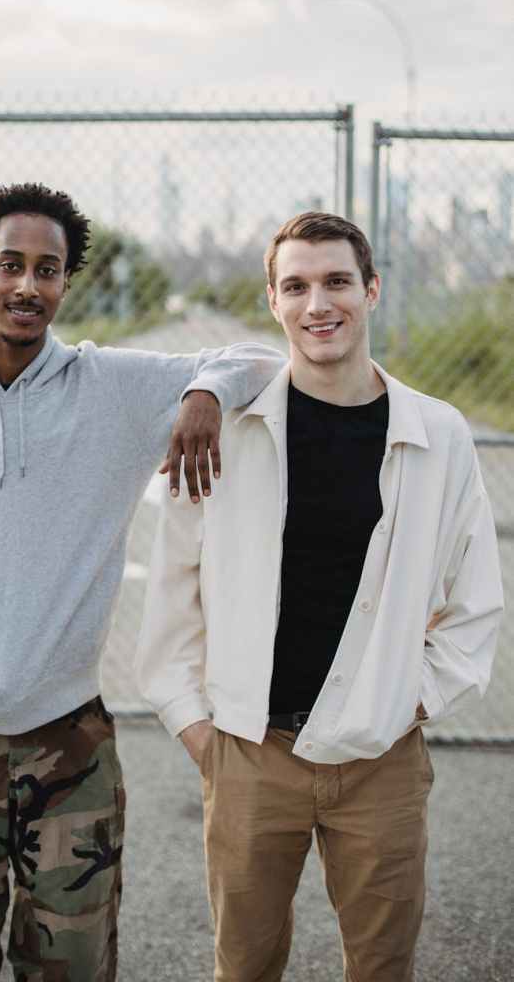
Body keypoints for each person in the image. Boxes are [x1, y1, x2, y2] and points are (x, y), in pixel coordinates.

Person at [0, 182, 285, 982]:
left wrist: (203, 394)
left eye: (48, 270)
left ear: (66, 282)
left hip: (68, 742)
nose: (27, 286)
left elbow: (261, 358)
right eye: (11, 264)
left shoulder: (110, 388)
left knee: (74, 965)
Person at [135, 211, 504, 982]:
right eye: (295, 286)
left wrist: (409, 700)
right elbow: (171, 592)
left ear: (370, 290)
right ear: (272, 301)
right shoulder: (222, 431)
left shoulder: (438, 434)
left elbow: (473, 601)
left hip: (380, 757)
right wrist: (198, 729)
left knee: (381, 965)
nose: (317, 304)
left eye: (336, 281)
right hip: (249, 750)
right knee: (244, 965)